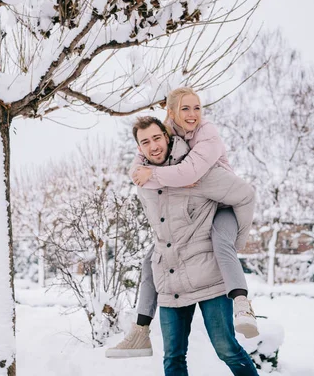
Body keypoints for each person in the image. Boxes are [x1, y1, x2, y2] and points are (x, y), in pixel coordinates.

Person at [106, 87, 258, 358]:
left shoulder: (207, 135)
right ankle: (140, 330)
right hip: (189, 226)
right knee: (153, 259)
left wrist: (239, 239)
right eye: (185, 109)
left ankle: (242, 303)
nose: (192, 114)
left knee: (222, 243)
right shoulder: (166, 131)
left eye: (197, 108)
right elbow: (141, 159)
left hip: (224, 206)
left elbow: (190, 173)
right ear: (172, 114)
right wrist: (137, 173)